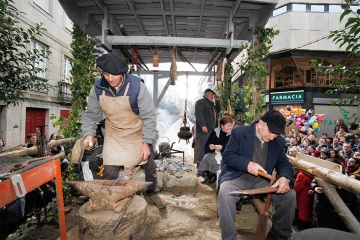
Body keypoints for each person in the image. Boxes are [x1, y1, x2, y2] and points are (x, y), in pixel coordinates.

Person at [81, 53, 166, 209]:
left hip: (137, 132)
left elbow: (149, 116)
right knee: (109, 171)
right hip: (114, 133)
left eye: (114, 74)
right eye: (106, 74)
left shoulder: (137, 87)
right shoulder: (98, 88)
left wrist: (146, 142)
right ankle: (112, 198)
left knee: (150, 165)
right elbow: (91, 115)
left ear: (123, 73)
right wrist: (88, 134)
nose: (110, 78)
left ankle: (152, 192)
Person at [217, 110, 296, 240]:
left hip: (263, 181)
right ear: (260, 124)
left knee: (290, 195)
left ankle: (279, 233)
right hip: (238, 177)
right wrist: (247, 164)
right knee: (225, 193)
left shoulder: (278, 141)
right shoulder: (240, 133)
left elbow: (284, 164)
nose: (272, 138)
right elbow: (228, 156)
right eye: (270, 132)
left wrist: (284, 178)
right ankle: (229, 237)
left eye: (276, 135)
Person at [197, 115, 233, 184]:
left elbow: (232, 149)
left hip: (226, 155)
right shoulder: (215, 132)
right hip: (215, 153)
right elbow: (207, 145)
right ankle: (209, 174)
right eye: (228, 125)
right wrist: (210, 147)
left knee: (217, 161)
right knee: (207, 156)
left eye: (231, 125)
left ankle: (214, 175)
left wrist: (222, 148)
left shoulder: (233, 135)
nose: (230, 127)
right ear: (222, 126)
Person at [194, 88, 221, 166]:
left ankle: (206, 167)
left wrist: (217, 101)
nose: (213, 96)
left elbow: (218, 110)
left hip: (211, 130)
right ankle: (201, 168)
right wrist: (203, 125)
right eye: (211, 95)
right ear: (206, 94)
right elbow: (198, 114)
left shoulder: (211, 104)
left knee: (209, 148)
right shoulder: (200, 102)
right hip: (204, 130)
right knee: (203, 149)